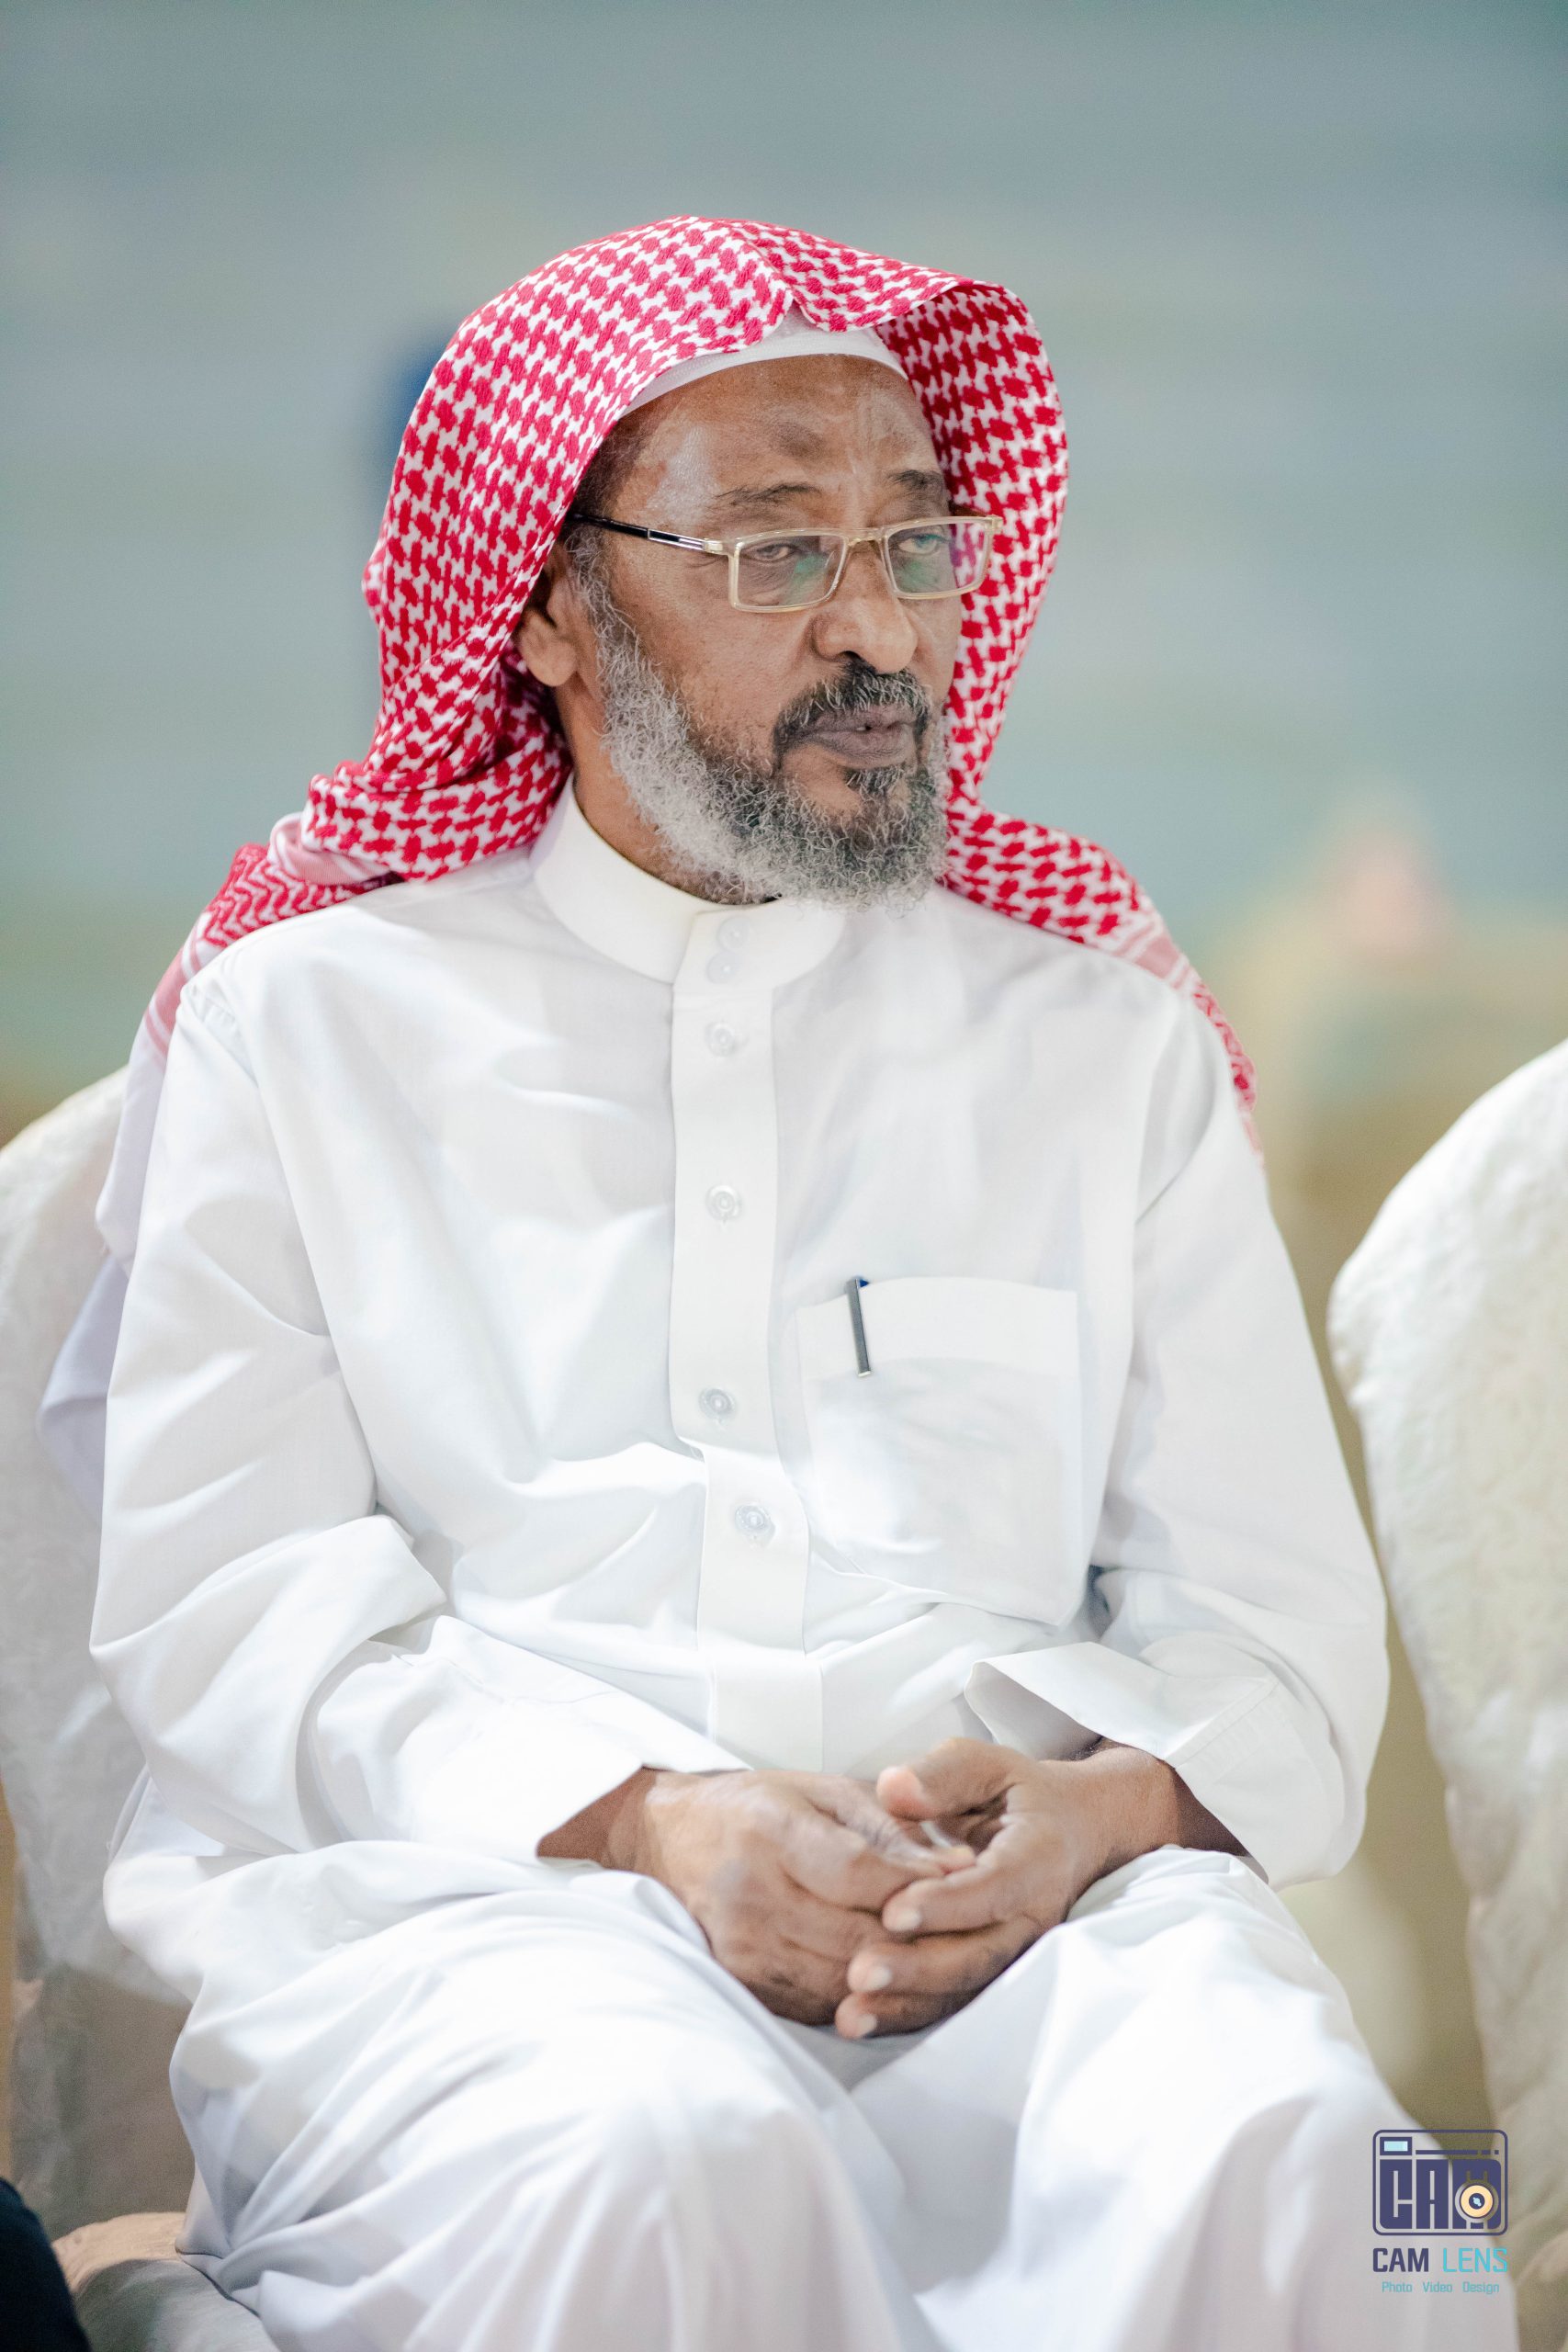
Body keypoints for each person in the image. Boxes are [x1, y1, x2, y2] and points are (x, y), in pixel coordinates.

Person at [79, 219, 1517, 2350]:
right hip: (486, 1918)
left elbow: (1275, 1624)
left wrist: (1106, 1802)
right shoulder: (301, 1029)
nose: (875, 626)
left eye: (910, 545)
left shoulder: (1098, 1040)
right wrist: (652, 1821)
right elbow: (226, 1606)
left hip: (1049, 1932)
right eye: (773, 552)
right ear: (548, 602)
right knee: (669, 2155)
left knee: (1334, 2167)